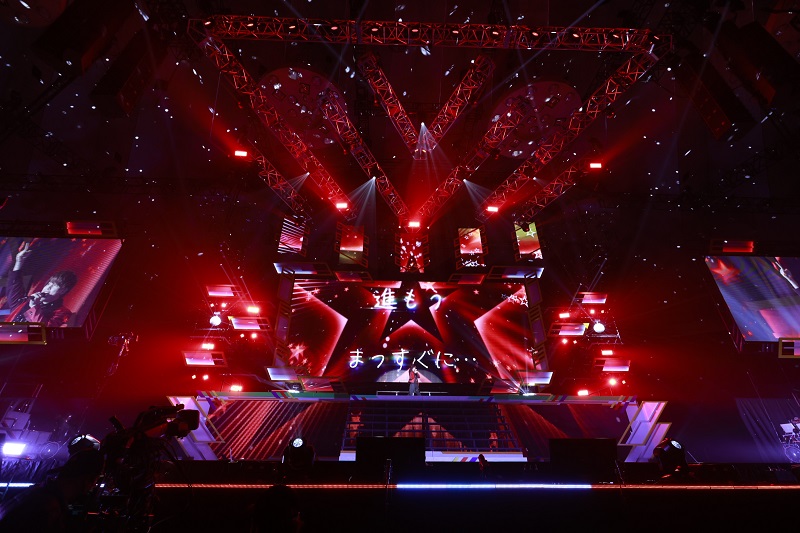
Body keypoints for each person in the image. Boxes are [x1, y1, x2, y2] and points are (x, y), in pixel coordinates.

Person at [6, 241, 77, 327]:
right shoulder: (27, 302)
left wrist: (34, 307)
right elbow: (13, 289)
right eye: (48, 284)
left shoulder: (62, 313)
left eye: (54, 285)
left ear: (63, 290)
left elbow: (45, 329)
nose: (48, 288)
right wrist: (19, 262)